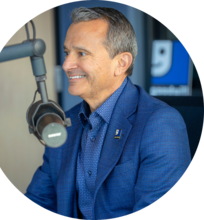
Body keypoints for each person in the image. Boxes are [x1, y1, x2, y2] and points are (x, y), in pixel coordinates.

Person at [23, 7, 192, 219]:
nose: (66, 64)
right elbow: (39, 200)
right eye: (67, 53)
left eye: (81, 53)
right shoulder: (62, 123)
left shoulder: (160, 123)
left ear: (121, 63)